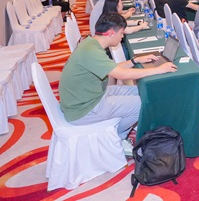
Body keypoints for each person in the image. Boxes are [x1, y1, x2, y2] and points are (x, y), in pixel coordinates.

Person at [59, 12, 177, 146]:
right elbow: (121, 74)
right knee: (143, 104)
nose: (122, 37)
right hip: (84, 109)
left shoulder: (90, 43)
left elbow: (113, 68)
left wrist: (135, 60)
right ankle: (116, 138)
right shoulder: (91, 51)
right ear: (110, 33)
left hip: (90, 96)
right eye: (121, 33)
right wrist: (158, 70)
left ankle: (119, 131)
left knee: (141, 91)